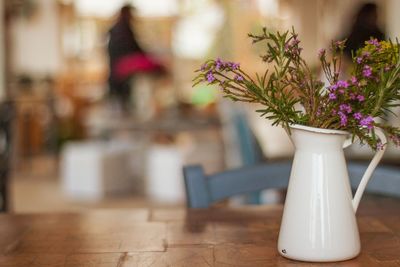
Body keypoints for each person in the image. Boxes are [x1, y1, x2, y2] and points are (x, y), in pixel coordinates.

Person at [107, 4, 163, 113]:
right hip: (122, 67)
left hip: (118, 68)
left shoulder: (119, 28)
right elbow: (133, 48)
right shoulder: (122, 29)